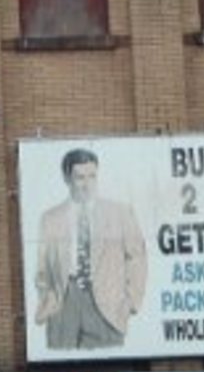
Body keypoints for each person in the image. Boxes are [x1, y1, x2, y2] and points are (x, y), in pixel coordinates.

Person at [34, 148, 147, 350]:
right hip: (64, 302)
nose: (87, 184)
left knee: (111, 365)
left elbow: (137, 258)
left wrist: (130, 302)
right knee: (61, 367)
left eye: (92, 176)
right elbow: (42, 268)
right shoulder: (51, 218)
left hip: (107, 304)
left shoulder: (119, 213)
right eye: (80, 178)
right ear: (67, 178)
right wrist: (48, 298)